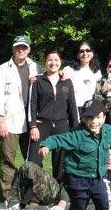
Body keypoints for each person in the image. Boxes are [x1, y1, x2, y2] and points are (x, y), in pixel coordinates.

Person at [0, 35, 39, 210]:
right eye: (18, 47)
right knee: (8, 160)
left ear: (29, 50)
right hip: (10, 122)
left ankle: (31, 194)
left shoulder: (36, 68)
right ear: (13, 49)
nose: (21, 50)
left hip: (30, 122)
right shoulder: (3, 70)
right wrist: (0, 121)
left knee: (31, 160)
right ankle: (9, 196)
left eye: (24, 47)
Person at [27, 48, 79, 182]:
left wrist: (76, 130)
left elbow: (72, 107)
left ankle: (59, 192)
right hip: (41, 126)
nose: (53, 63)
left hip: (62, 126)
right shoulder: (37, 81)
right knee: (33, 162)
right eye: (49, 60)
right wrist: (33, 126)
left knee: (61, 164)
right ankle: (32, 191)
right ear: (45, 62)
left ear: (61, 62)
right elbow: (32, 105)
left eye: (56, 60)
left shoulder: (67, 82)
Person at [63, 41, 103, 120]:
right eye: (81, 51)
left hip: (89, 110)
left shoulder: (96, 72)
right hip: (72, 109)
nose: (85, 53)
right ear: (77, 55)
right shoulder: (68, 70)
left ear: (92, 53)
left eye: (88, 50)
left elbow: (99, 92)